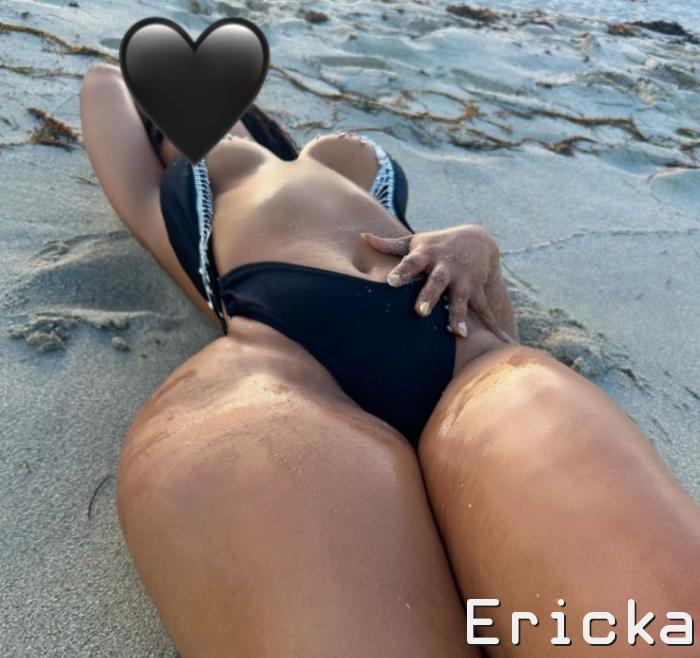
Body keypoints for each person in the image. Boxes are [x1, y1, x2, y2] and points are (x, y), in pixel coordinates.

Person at [80, 63, 699, 658]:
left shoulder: (333, 157)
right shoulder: (176, 188)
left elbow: (500, 327)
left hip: (468, 358)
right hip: (281, 357)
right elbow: (106, 82)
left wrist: (479, 247)